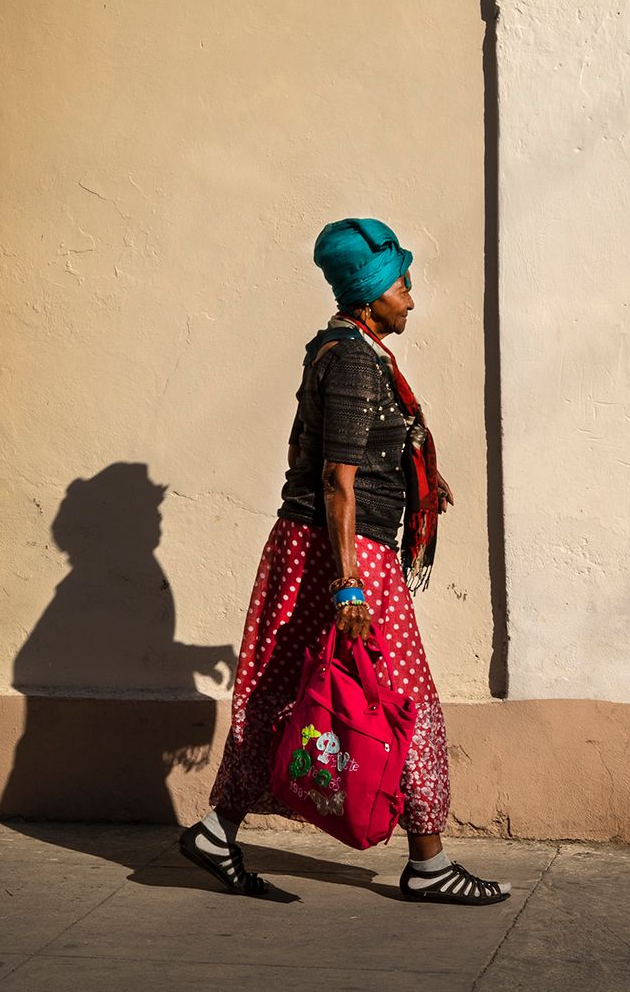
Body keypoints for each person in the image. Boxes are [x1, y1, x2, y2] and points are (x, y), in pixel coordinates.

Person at [179, 218, 510, 906]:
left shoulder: (345, 345)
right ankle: (427, 862)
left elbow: (365, 455)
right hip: (344, 556)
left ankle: (217, 830)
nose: (411, 297)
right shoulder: (357, 358)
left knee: (281, 695)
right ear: (368, 295)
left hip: (316, 548)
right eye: (399, 284)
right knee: (404, 703)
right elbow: (338, 477)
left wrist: (418, 480)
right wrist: (349, 588)